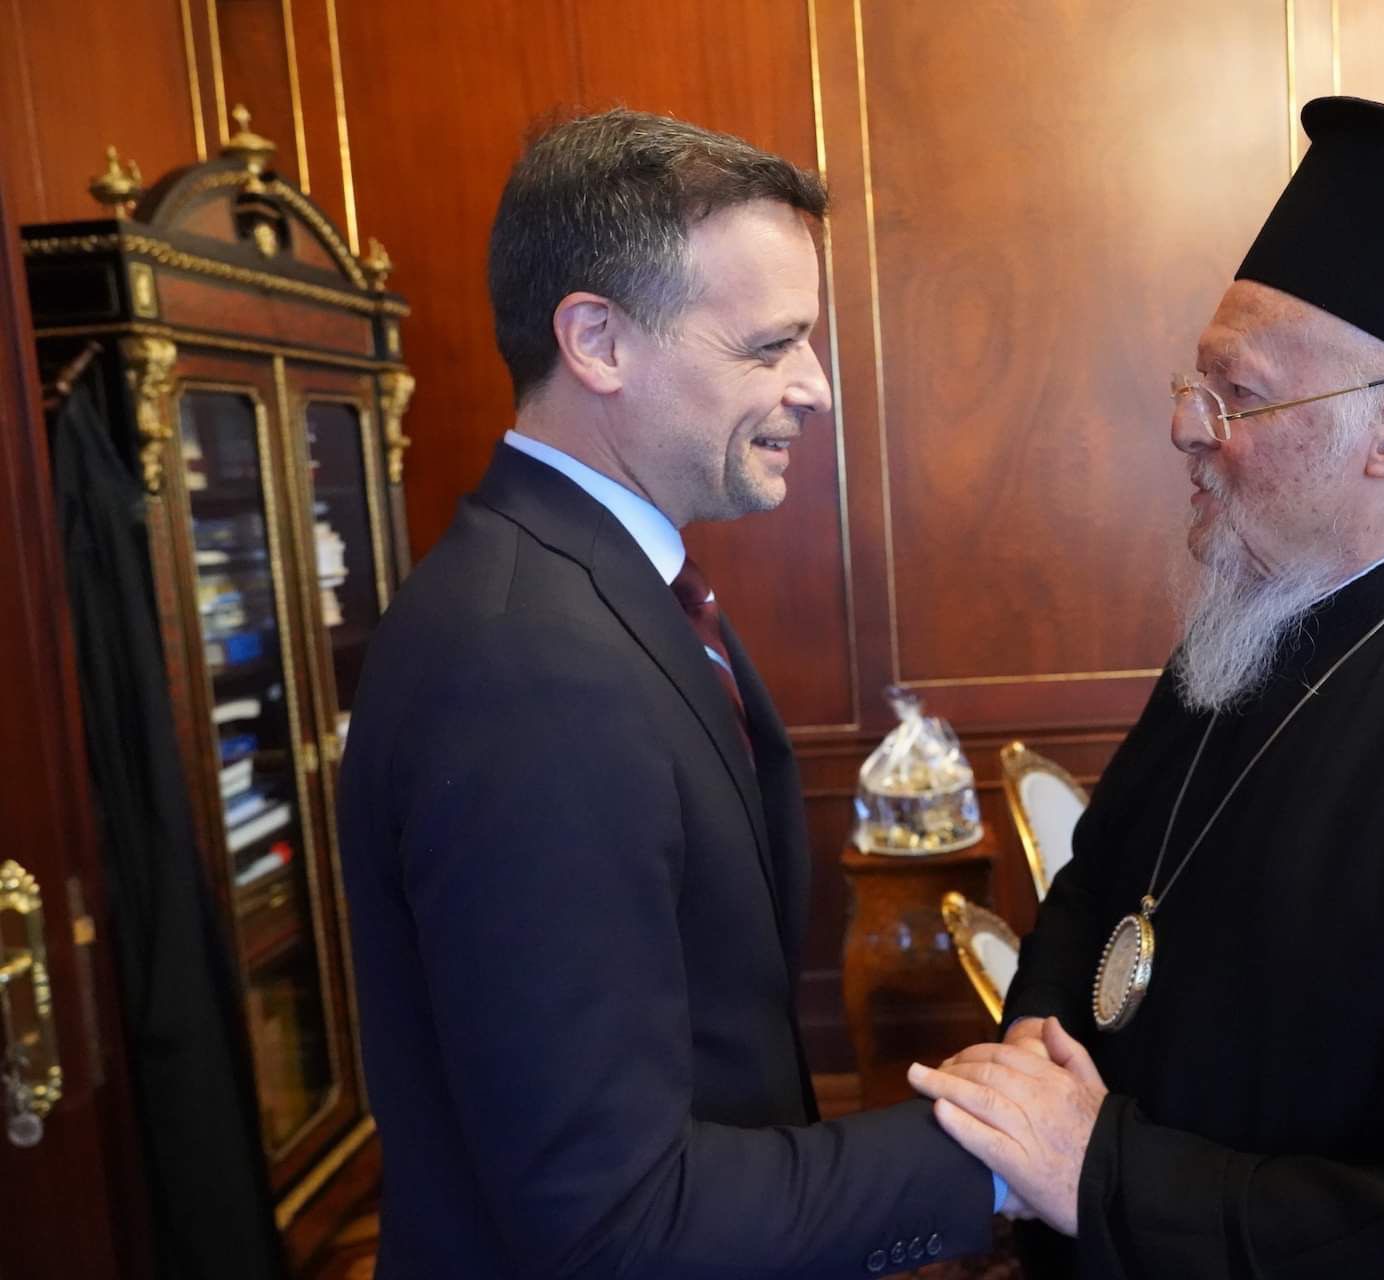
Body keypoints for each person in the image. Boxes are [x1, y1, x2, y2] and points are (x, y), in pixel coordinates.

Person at [909, 96, 1384, 1278]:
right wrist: (1040, 1044)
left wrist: (1108, 1173)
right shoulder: (1250, 617)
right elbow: (1101, 885)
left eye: (1235, 393)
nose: (1185, 426)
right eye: (1195, 381)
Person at [338, 110, 996, 1278]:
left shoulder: (596, 585)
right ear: (598, 340)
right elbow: (610, 1213)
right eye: (770, 345)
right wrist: (992, 1155)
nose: (815, 387)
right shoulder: (524, 667)